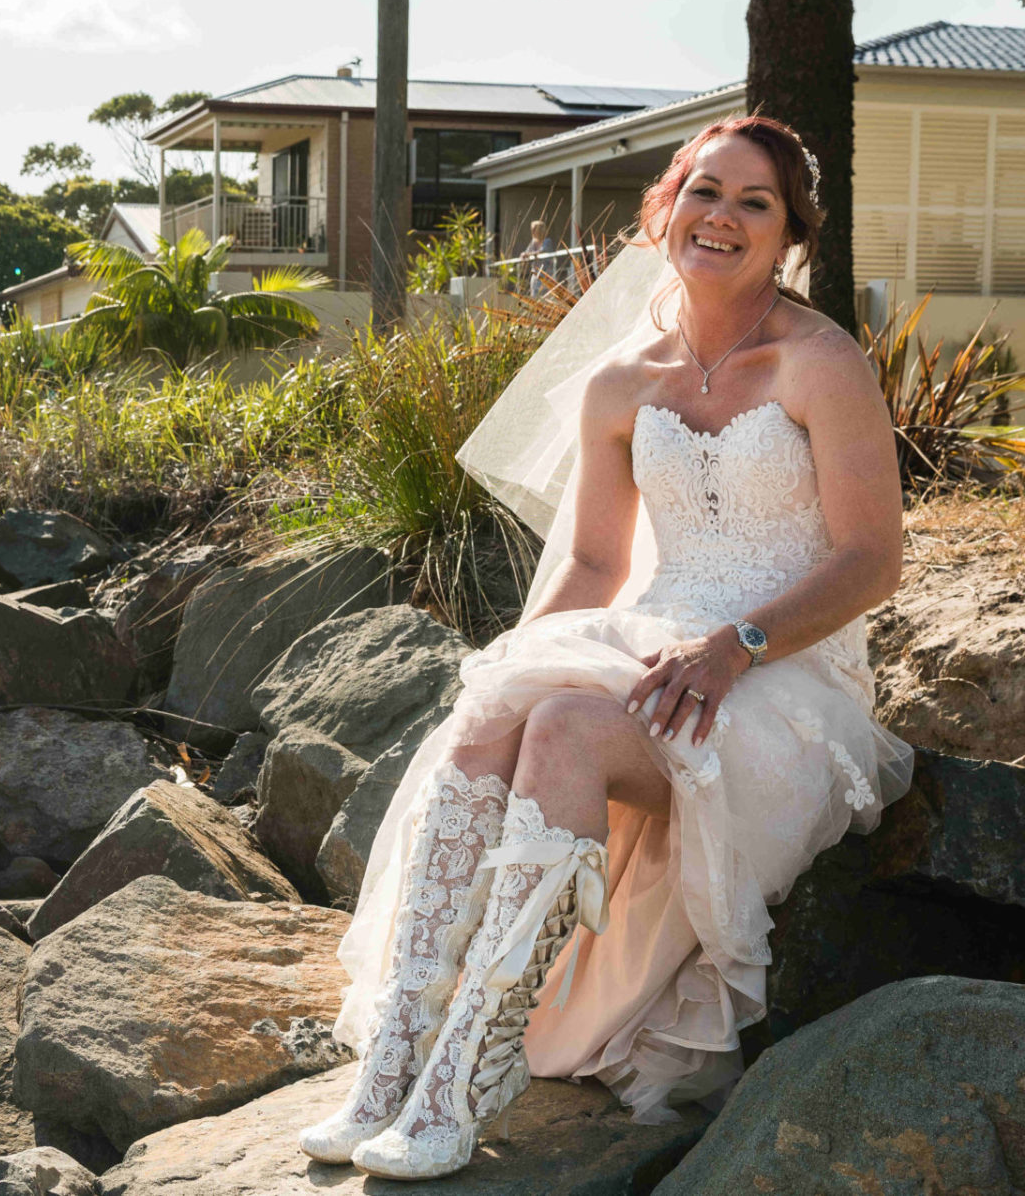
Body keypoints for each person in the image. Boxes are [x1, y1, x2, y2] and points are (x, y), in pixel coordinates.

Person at [297, 115, 912, 1180]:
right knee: (501, 710)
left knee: (572, 730)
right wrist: (507, 669)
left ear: (788, 235)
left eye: (753, 203)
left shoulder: (821, 362)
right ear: (665, 207)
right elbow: (589, 563)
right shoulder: (621, 379)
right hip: (646, 635)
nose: (721, 217)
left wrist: (737, 647)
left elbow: (871, 560)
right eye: (703, 191)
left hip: (783, 673)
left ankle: (472, 1067)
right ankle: (401, 1052)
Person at [520, 219, 563, 294]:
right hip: (535, 275)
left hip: (546, 275)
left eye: (534, 229)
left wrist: (528, 254)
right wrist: (523, 254)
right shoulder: (533, 242)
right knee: (534, 296)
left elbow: (541, 251)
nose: (532, 232)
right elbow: (527, 252)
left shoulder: (547, 241)